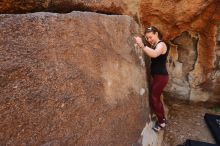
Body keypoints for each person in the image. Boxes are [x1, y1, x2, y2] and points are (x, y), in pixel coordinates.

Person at [134, 26, 169, 132]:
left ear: (156, 34)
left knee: (154, 98)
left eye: (151, 37)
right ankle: (162, 118)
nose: (149, 40)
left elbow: (154, 54)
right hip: (158, 76)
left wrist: (142, 44)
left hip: (161, 77)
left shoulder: (162, 45)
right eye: (147, 38)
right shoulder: (154, 45)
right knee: (156, 97)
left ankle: (162, 122)